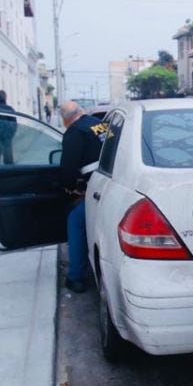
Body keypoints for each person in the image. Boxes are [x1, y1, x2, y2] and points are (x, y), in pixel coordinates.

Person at [59, 101, 109, 293]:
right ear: (81, 111)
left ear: (66, 119)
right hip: (112, 181)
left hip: (97, 188)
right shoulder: (100, 124)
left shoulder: (74, 132)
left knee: (76, 221)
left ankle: (76, 277)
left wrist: (71, 189)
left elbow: (68, 170)